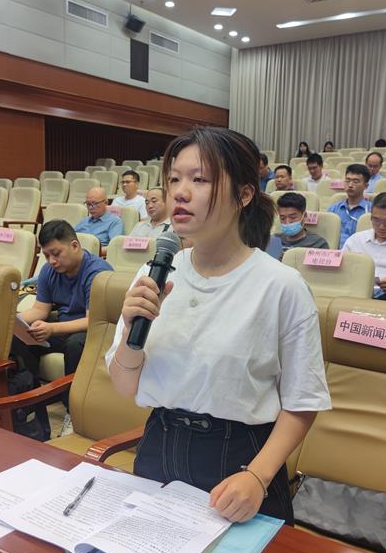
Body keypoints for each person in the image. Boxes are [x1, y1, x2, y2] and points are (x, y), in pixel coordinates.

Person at [106, 127, 331, 524]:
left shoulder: (281, 286)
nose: (180, 192)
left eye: (199, 180)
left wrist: (258, 477)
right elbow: (125, 387)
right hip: (159, 445)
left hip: (241, 461)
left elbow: (302, 403)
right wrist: (130, 333)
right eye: (174, 179)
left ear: (243, 195)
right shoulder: (154, 273)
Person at [12, 220, 113, 438]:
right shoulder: (49, 270)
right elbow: (40, 310)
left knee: (75, 343)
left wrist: (52, 328)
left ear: (74, 246)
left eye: (56, 254)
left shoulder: (98, 272)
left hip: (93, 332)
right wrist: (12, 321)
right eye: (47, 255)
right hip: (61, 328)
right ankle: (32, 402)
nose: (51, 261)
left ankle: (73, 412)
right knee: (17, 337)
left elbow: (93, 321)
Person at [267, 192, 329, 258]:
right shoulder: (272, 241)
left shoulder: (318, 244)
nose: (287, 222)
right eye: (283, 218)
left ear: (304, 216)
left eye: (293, 217)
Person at [328, 164, 373, 247]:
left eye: (355, 181)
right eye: (347, 180)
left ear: (366, 186)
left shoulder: (372, 210)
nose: (350, 185)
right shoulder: (333, 209)